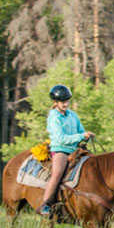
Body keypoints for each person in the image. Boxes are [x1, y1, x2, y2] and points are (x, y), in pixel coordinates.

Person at [38, 84, 94, 217]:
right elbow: (61, 138)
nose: (65, 104)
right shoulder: (54, 118)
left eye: (67, 101)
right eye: (63, 102)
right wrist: (81, 136)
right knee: (57, 174)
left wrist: (86, 137)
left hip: (75, 149)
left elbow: (81, 130)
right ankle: (45, 204)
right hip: (60, 150)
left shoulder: (72, 115)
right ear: (55, 102)